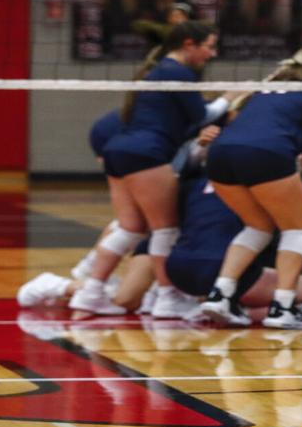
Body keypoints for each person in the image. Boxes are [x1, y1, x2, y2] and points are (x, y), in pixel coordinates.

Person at [195, 46, 302, 329]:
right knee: (297, 229)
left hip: (220, 155)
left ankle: (220, 295)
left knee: (258, 227)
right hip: (266, 155)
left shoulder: (265, 90)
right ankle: (282, 308)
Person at [85, 22, 228, 318]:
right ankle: (168, 298)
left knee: (131, 228)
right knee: (165, 229)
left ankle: (90, 293)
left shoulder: (157, 70)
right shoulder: (178, 72)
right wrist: (230, 97)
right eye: (209, 46)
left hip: (118, 150)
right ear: (189, 44)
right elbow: (203, 116)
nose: (212, 54)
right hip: (146, 153)